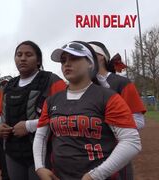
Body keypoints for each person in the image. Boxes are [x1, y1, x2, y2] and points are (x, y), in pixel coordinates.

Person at [33, 41, 142, 180]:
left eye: (74, 58)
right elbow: (41, 136)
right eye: (63, 60)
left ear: (90, 63)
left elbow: (131, 141)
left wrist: (95, 175)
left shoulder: (108, 97)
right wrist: (39, 167)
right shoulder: (52, 101)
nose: (67, 63)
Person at [0, 41, 67, 180]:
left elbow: (65, 117)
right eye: (19, 55)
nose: (22, 58)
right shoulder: (9, 85)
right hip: (12, 151)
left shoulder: (52, 81)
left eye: (28, 55)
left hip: (43, 151)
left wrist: (29, 126)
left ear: (38, 60)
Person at [89, 41, 146, 180]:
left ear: (101, 56)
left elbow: (138, 121)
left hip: (115, 155)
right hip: (86, 156)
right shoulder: (83, 84)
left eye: (87, 54)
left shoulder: (121, 83)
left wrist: (104, 126)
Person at [0, 75, 13, 180]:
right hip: (1, 138)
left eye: (7, 84)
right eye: (2, 85)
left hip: (16, 138)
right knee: (4, 170)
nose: (5, 86)